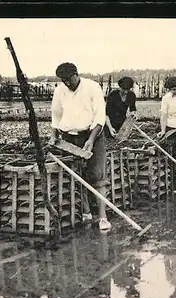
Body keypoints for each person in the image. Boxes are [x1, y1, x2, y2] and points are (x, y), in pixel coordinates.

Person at [48, 62, 111, 231]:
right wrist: (54, 136)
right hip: (69, 138)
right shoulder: (60, 90)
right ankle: (86, 213)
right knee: (78, 176)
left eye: (69, 79)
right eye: (63, 80)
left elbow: (99, 117)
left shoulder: (92, 87)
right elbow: (56, 114)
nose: (67, 83)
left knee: (97, 176)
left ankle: (103, 217)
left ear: (77, 74)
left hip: (92, 135)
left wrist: (90, 140)